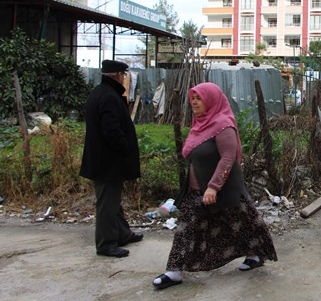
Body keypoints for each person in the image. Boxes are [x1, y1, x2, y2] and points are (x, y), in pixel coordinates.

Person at [152, 82, 277, 290]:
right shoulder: (199, 123)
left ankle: (256, 253)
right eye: (193, 98)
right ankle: (174, 271)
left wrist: (213, 186)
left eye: (199, 98)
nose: (194, 102)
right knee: (186, 227)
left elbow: (228, 158)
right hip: (195, 190)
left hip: (225, 188)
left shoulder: (222, 124)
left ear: (211, 100)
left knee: (243, 221)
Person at [80, 59, 143, 258]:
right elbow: (112, 131)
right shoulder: (108, 97)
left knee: (113, 201)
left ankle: (123, 234)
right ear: (117, 75)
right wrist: (125, 149)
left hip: (104, 161)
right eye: (123, 75)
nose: (125, 78)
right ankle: (106, 243)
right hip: (108, 162)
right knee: (107, 204)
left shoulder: (101, 93)